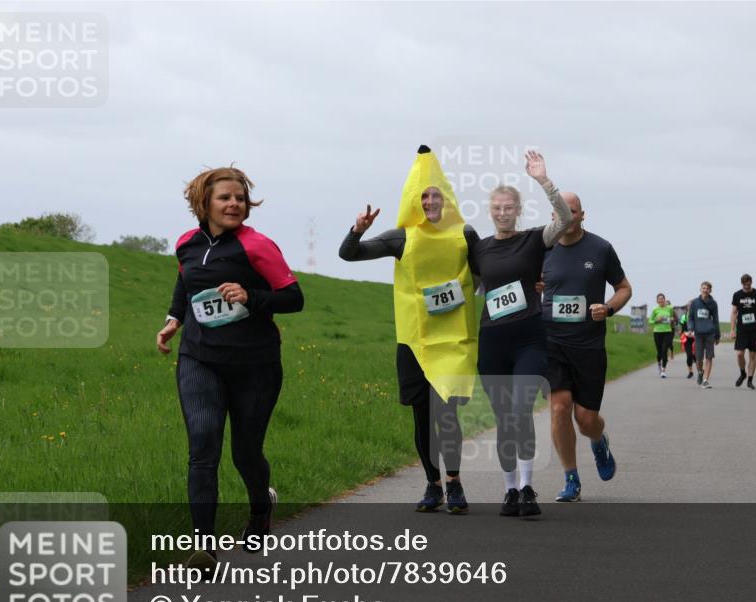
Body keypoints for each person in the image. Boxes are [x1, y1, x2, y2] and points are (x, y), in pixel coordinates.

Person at [157, 166, 305, 571]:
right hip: (199, 359)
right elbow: (184, 286)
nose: (234, 204)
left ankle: (261, 509)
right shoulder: (186, 244)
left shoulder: (257, 246)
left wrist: (250, 295)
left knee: (245, 453)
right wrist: (173, 320)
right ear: (203, 203)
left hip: (254, 365)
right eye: (225, 197)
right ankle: (204, 547)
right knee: (203, 445)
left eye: (239, 198)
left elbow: (293, 298)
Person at [339, 146, 479, 514]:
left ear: (447, 199)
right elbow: (348, 255)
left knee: (446, 413)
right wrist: (358, 230)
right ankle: (432, 484)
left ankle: (454, 481)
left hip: (452, 339)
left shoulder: (465, 234)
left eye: (436, 195)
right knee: (421, 415)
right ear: (414, 202)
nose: (430, 201)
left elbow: (489, 270)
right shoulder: (402, 237)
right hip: (414, 341)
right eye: (424, 196)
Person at [472, 150, 573, 517]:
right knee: (503, 417)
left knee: (520, 409)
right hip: (492, 342)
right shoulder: (480, 249)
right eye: (497, 207)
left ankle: (529, 487)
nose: (502, 212)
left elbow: (564, 218)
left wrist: (543, 180)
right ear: (490, 210)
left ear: (517, 210)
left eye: (508, 207)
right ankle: (510, 490)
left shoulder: (533, 240)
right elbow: (468, 286)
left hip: (529, 339)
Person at [540, 192, 632, 502]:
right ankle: (571, 479)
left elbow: (624, 288)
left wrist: (608, 308)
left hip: (589, 345)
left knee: (586, 420)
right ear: (553, 216)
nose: (566, 216)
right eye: (560, 211)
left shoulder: (601, 249)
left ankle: (599, 441)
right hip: (551, 342)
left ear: (582, 215)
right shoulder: (542, 248)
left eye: (572, 211)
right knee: (559, 408)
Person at [729, 273, 756, 390]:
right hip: (742, 330)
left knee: (752, 355)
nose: (746, 286)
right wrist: (732, 330)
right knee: (739, 354)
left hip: (754, 329)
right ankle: (742, 373)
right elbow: (734, 312)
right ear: (742, 284)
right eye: (744, 285)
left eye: (748, 284)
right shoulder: (737, 295)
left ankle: (750, 380)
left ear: (751, 282)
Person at [688, 281, 720, 389]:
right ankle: (700, 372)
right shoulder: (695, 303)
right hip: (698, 333)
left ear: (710, 290)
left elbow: (716, 319)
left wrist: (717, 335)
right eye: (703, 288)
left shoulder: (713, 303)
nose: (705, 290)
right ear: (700, 289)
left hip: (710, 333)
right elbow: (691, 317)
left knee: (709, 357)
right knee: (698, 358)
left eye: (707, 288)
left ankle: (705, 380)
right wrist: (690, 329)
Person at [648, 294, 674, 378]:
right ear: (657, 301)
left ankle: (663, 370)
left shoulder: (669, 308)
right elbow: (650, 321)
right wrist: (656, 320)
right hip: (657, 332)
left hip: (667, 331)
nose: (661, 300)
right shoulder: (655, 309)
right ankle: (659, 363)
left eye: (662, 299)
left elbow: (672, 317)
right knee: (659, 352)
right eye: (659, 299)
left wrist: (672, 319)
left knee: (664, 350)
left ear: (664, 300)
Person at [679, 311, 696, 379]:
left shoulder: (696, 315)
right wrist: (682, 332)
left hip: (696, 338)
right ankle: (690, 372)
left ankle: (700, 371)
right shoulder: (683, 317)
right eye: (688, 306)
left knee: (696, 356)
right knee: (689, 355)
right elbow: (682, 327)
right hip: (686, 338)